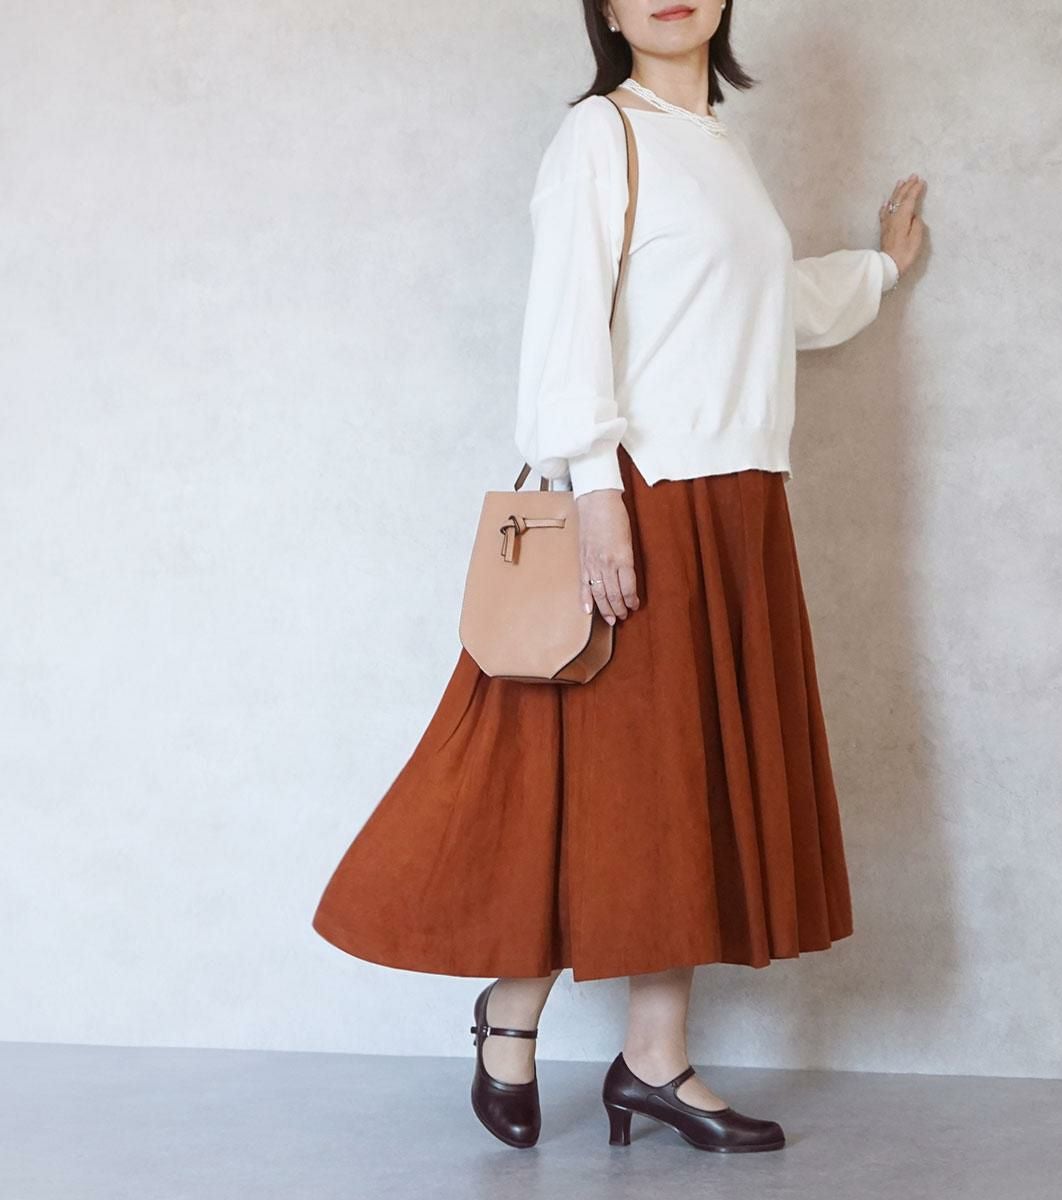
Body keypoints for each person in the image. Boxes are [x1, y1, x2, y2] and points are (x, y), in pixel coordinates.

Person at [311, 0, 926, 1155]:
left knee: (672, 785)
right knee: (608, 771)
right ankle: (515, 1009)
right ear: (601, 8)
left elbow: (763, 308)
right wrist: (597, 490)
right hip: (648, 493)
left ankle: (651, 1061)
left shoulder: (720, 149)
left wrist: (880, 272)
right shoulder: (602, 132)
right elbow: (564, 323)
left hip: (738, 500)